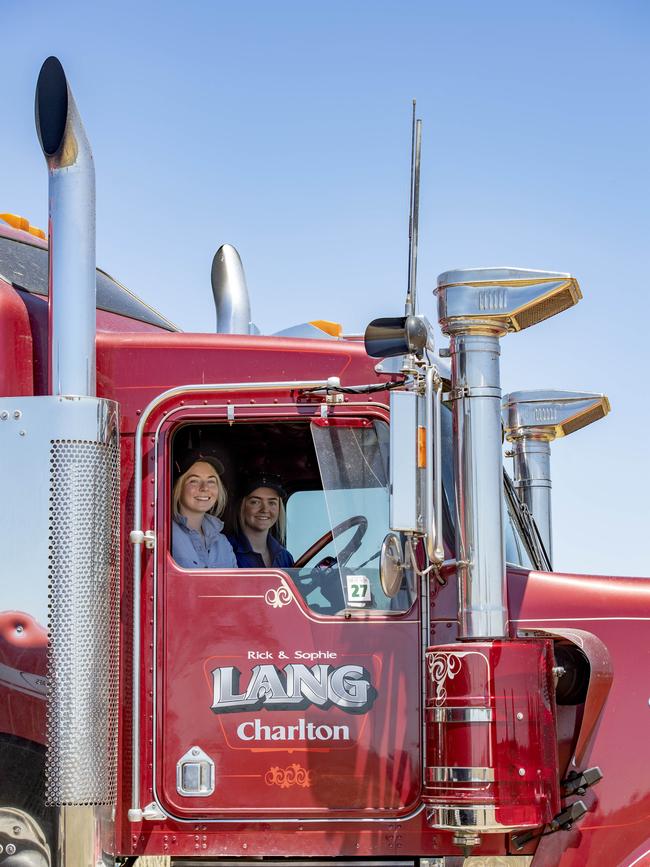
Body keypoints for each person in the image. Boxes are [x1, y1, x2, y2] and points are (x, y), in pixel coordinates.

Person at [171, 450, 238, 569]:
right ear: (178, 487)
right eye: (194, 481)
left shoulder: (222, 543)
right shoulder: (166, 535)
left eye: (211, 481)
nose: (204, 488)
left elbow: (235, 586)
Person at [227, 474, 295, 568]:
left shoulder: (285, 557)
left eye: (271, 503)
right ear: (241, 506)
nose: (265, 509)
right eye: (255, 502)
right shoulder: (225, 550)